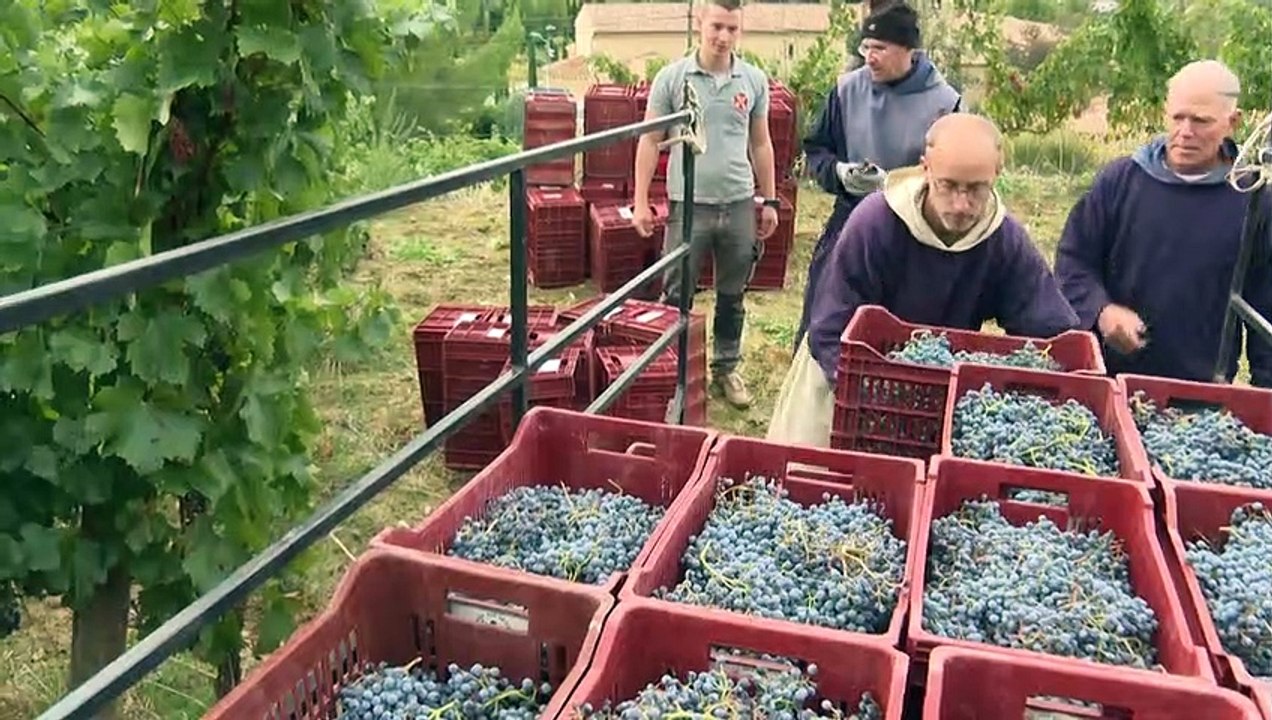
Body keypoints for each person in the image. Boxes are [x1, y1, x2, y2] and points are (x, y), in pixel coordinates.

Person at [768, 113, 1080, 447]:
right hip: (848, 385)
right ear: (926, 168)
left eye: (976, 189)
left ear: (996, 176)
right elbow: (831, 328)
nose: (961, 205)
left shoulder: (1004, 242)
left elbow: (1050, 329)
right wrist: (874, 402)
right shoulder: (875, 224)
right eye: (948, 186)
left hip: (938, 397)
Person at [1055, 60, 1272, 387]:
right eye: (1178, 117)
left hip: (1199, 397)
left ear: (1233, 122)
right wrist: (1102, 310)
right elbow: (1074, 261)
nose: (1185, 132)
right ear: (1164, 113)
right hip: (1108, 383)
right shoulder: (1121, 181)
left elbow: (1265, 309)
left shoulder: (1253, 201)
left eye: (1201, 121)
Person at [632, 0, 779, 410]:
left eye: (733, 29)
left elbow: (761, 143)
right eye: (717, 26)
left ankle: (726, 368)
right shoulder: (673, 78)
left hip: (737, 204)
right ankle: (675, 371)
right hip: (688, 205)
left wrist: (768, 201)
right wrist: (641, 201)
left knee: (732, 294)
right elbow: (648, 139)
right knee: (678, 292)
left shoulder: (752, 80)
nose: (724, 37)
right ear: (700, 24)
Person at [794, 1, 962, 352]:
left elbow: (954, 174)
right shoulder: (845, 91)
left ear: (909, 50)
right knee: (823, 321)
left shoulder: (945, 103)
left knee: (898, 335)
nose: (870, 57)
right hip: (849, 222)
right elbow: (817, 149)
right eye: (866, 47)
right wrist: (839, 174)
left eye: (880, 49)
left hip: (913, 234)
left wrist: (898, 184)